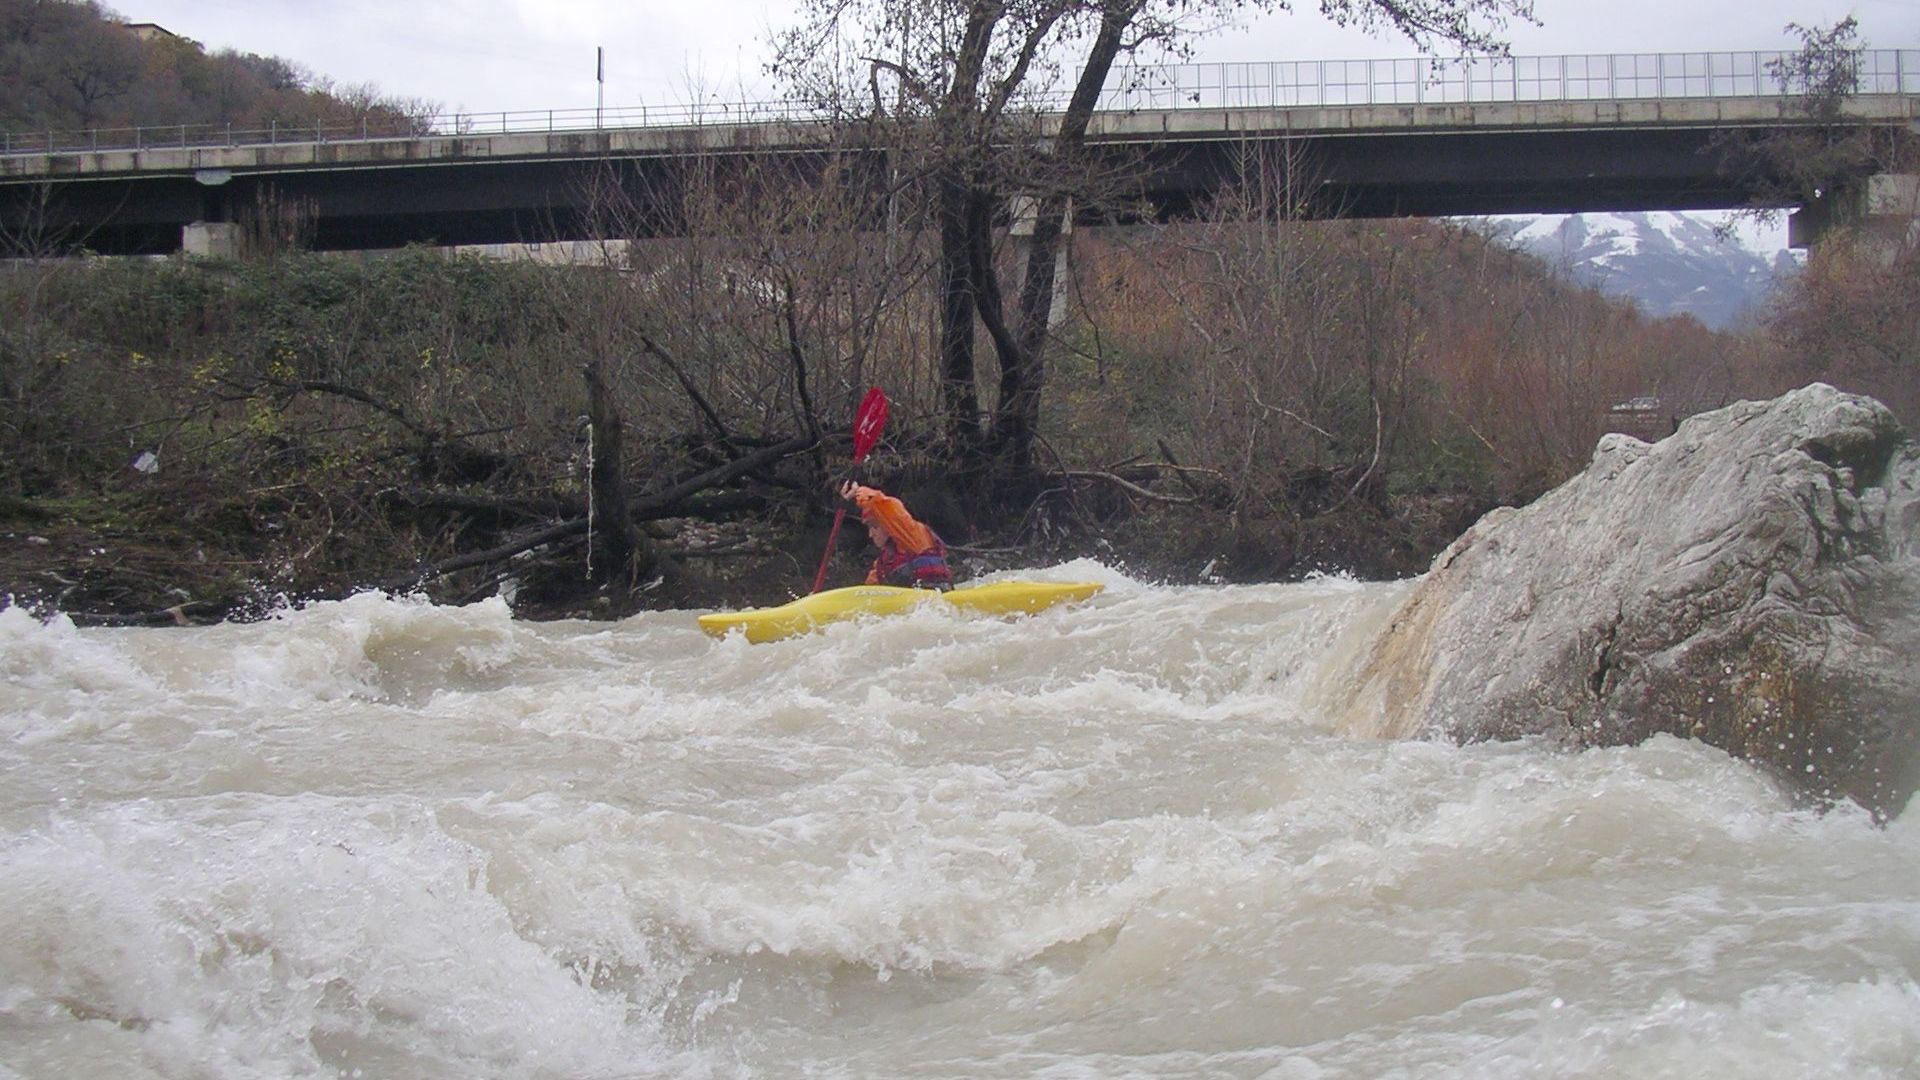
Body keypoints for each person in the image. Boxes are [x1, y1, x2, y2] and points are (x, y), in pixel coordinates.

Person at [838, 480, 953, 589]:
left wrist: (858, 492)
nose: (870, 535)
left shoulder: (912, 536)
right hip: (916, 605)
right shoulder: (884, 562)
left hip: (935, 598)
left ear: (887, 524)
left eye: (874, 526)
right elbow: (869, 592)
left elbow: (884, 504)